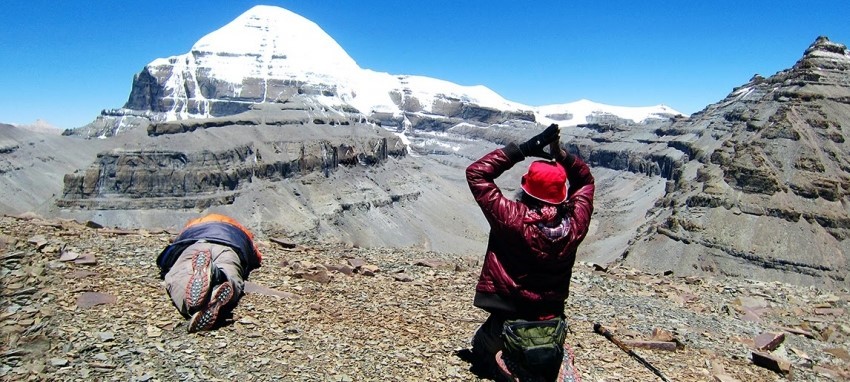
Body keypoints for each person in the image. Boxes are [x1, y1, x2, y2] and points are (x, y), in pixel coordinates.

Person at [465, 123, 595, 379]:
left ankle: (510, 367)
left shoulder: (513, 219)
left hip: (511, 318)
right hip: (552, 319)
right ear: (561, 196)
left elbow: (476, 174)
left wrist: (523, 149)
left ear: (526, 189)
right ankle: (548, 356)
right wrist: (563, 156)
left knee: (479, 347)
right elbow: (585, 182)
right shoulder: (575, 225)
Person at [156, 213, 263, 333]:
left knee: (180, 274)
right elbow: (256, 257)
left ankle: (192, 307)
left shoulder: (190, 228)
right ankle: (220, 277)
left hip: (195, 245)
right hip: (230, 246)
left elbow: (166, 257)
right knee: (231, 272)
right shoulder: (241, 231)